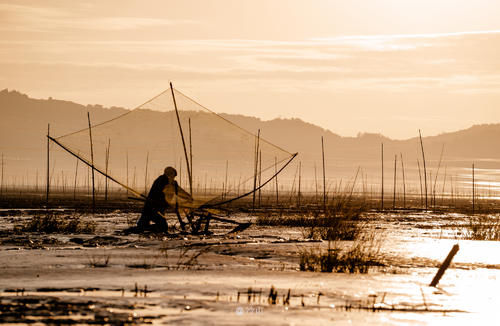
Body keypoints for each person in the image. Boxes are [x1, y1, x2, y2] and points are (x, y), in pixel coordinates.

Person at [136, 166, 192, 233]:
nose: (173, 178)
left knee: (143, 224)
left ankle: (143, 228)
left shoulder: (169, 182)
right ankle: (145, 229)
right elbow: (172, 190)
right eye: (173, 176)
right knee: (163, 227)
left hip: (156, 208)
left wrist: (188, 197)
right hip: (153, 208)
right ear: (169, 174)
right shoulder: (162, 180)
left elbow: (179, 191)